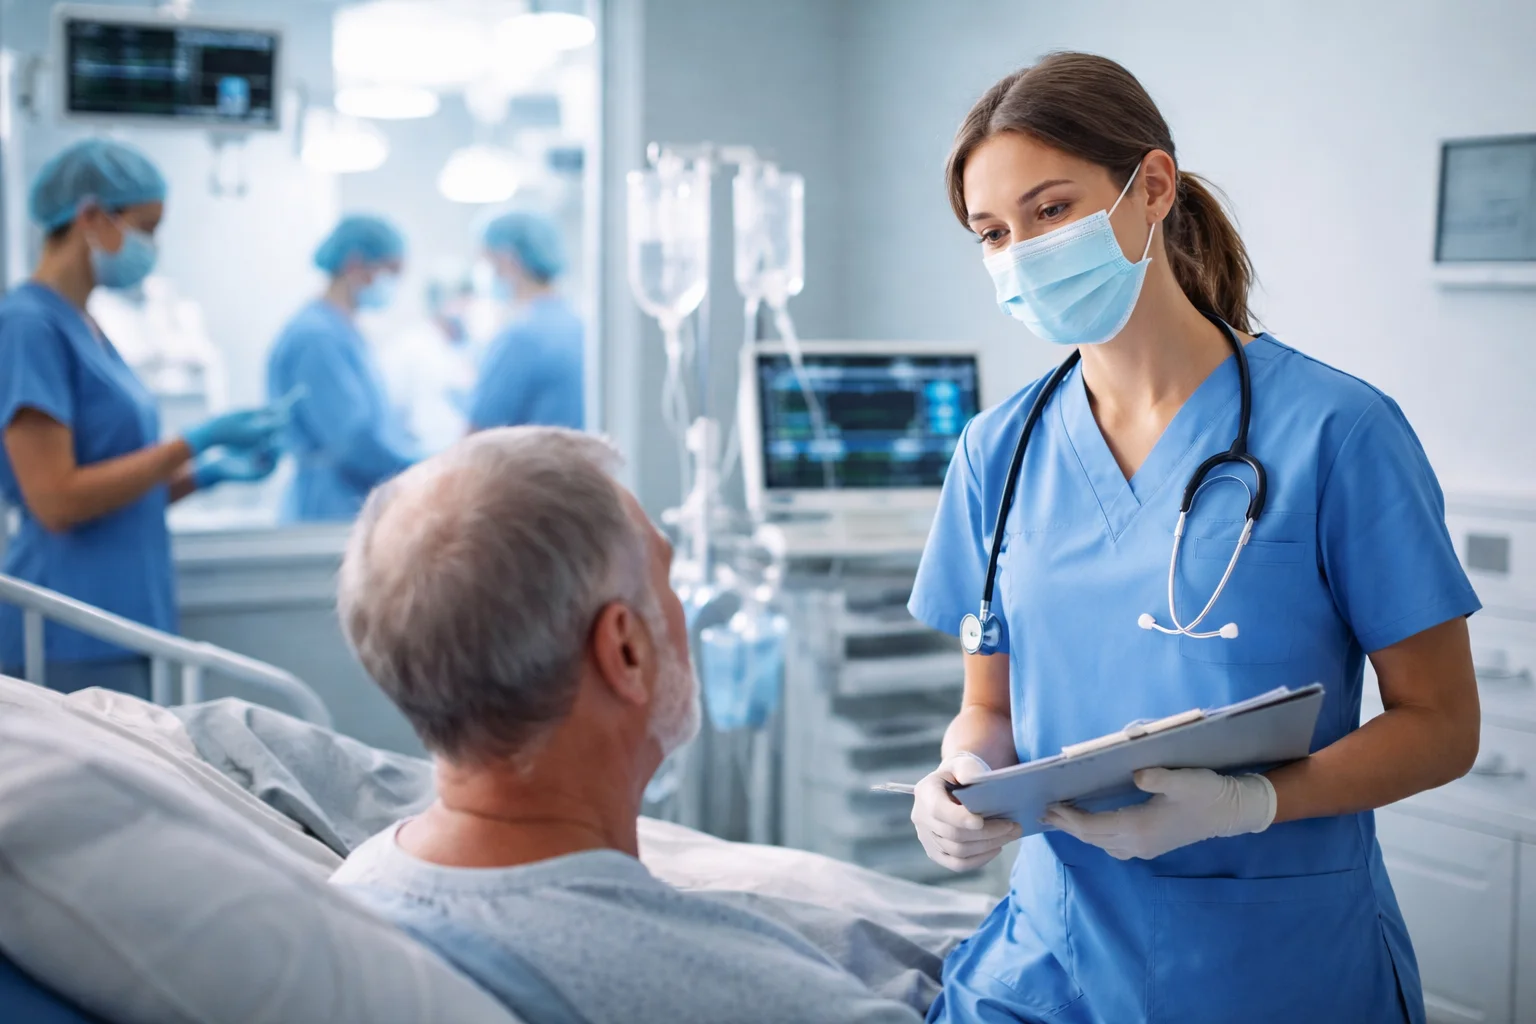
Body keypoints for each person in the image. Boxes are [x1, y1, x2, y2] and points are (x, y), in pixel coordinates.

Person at [906, 53, 1480, 1024]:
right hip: (1049, 965)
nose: (1022, 253)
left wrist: (1251, 802)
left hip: (1276, 971)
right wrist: (960, 779)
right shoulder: (995, 451)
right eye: (993, 232)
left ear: (1153, 189)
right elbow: (987, 706)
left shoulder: (1337, 433)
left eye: (1051, 211)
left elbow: (1443, 726)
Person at [329, 427, 920, 1024]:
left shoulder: (358, 892)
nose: (682, 603)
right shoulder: (750, 994)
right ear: (626, 650)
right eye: (667, 575)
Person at [0, 139, 285, 697]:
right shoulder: (29, 326)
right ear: (90, 217)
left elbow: (112, 490)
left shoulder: (86, 324)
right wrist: (192, 442)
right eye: (146, 227)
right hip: (70, 627)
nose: (152, 246)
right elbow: (57, 501)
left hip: (122, 615)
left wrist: (205, 475)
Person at [267, 215, 417, 522]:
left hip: (351, 497)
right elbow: (352, 441)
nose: (392, 285)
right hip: (330, 503)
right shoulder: (316, 337)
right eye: (389, 272)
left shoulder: (342, 330)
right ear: (355, 265)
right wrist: (422, 467)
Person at [467, 210, 584, 431]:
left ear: (507, 259)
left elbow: (476, 439)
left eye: (487, 262)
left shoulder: (519, 338)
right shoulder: (580, 325)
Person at [373, 269, 478, 454]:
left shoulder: (470, 347)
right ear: (439, 299)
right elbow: (389, 412)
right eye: (458, 296)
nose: (465, 304)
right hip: (420, 457)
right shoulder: (408, 348)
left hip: (462, 457)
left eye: (467, 296)